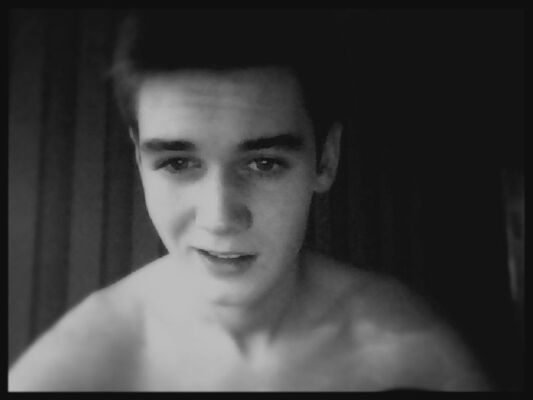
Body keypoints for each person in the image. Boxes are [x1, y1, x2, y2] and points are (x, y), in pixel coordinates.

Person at [9, 10, 491, 391]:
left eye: (263, 163)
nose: (220, 218)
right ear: (139, 160)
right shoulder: (73, 371)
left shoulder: (411, 352)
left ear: (325, 160)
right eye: (178, 163)